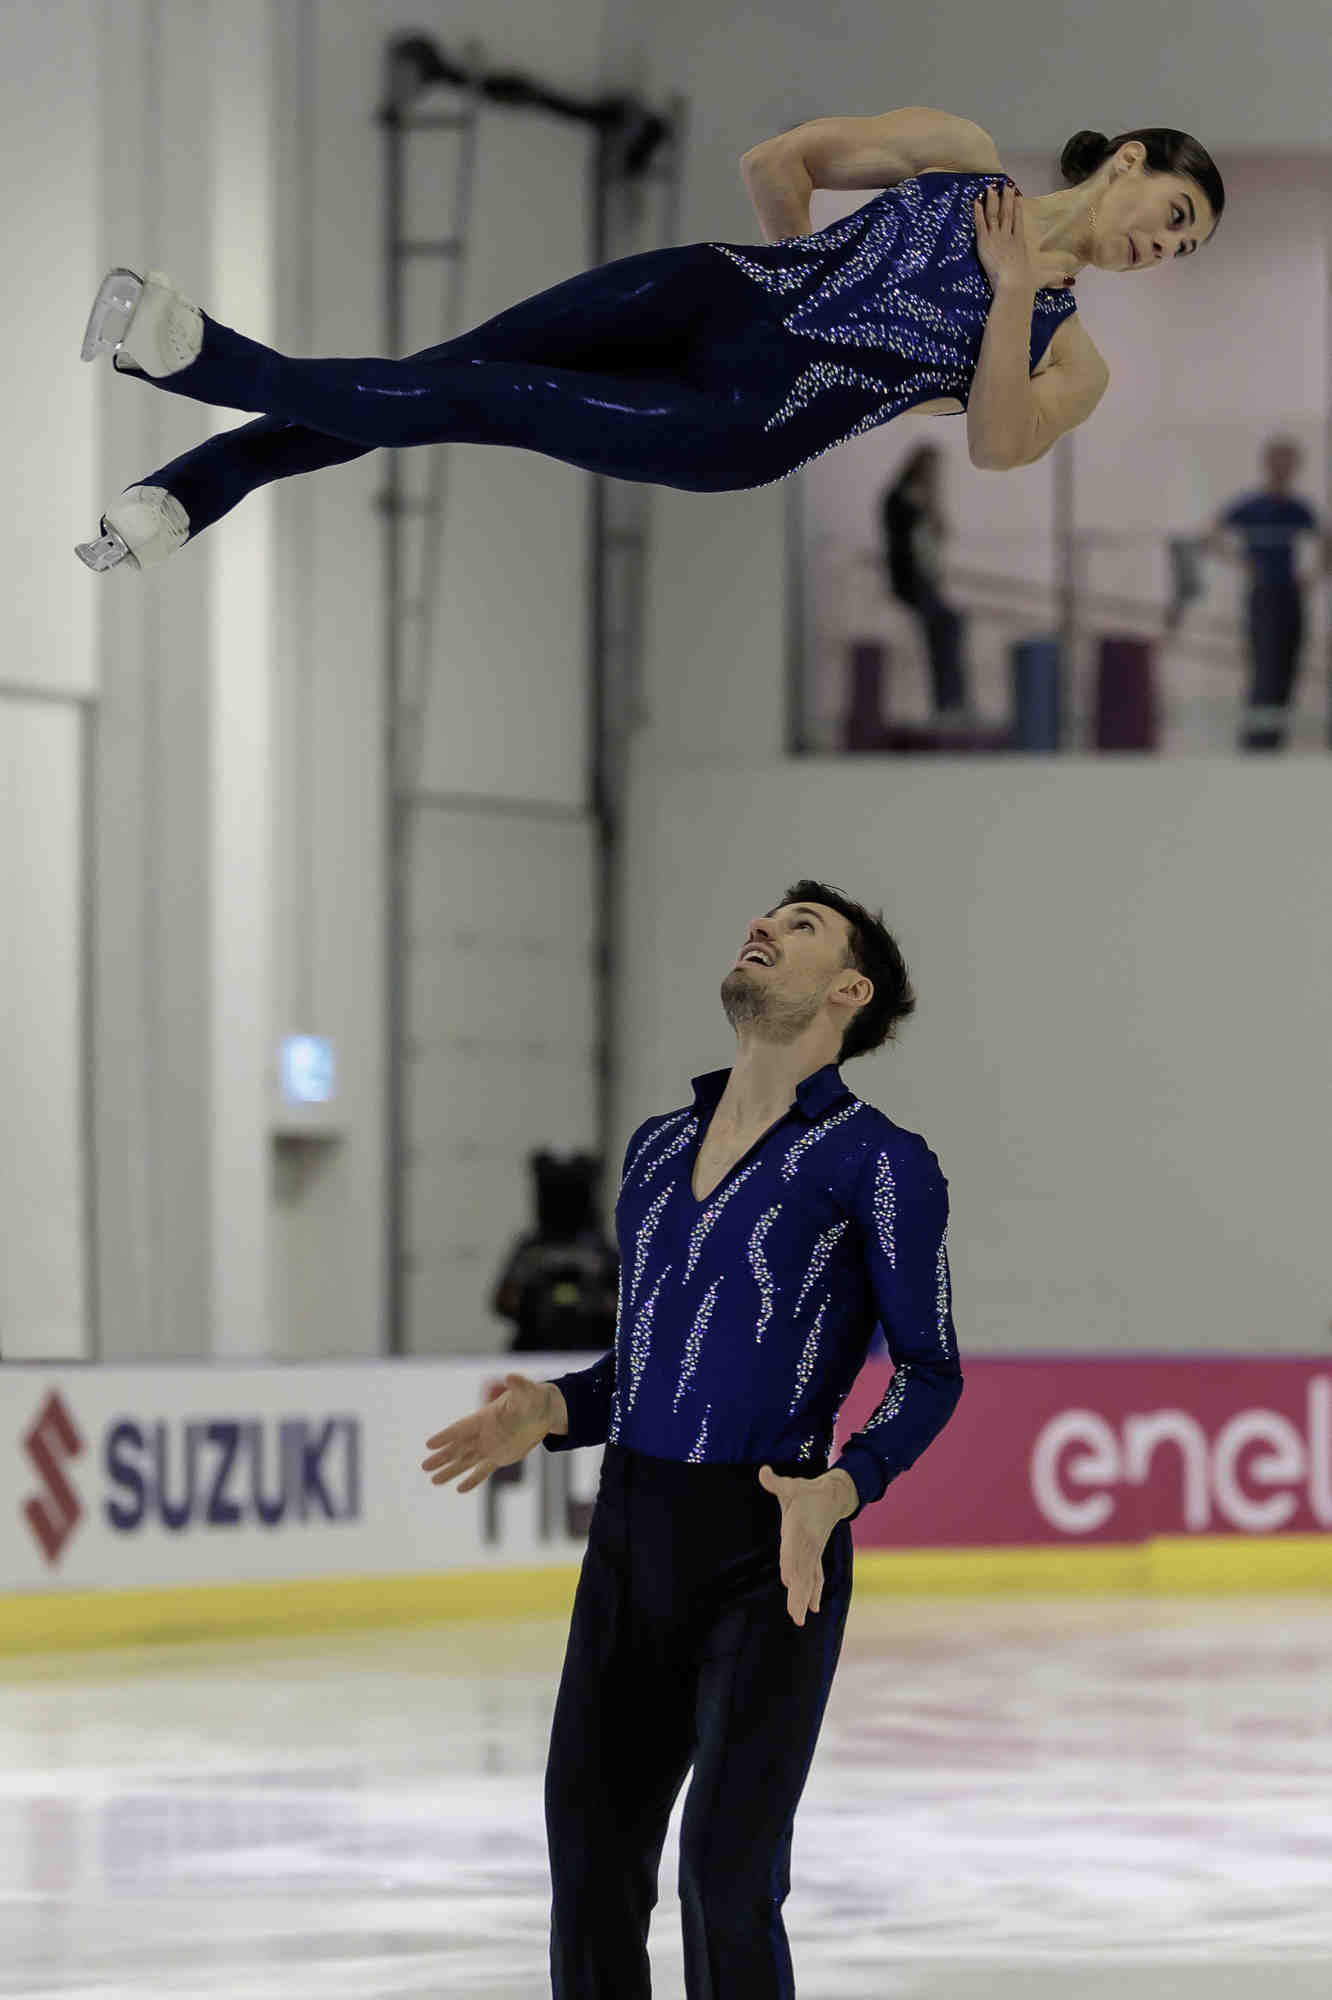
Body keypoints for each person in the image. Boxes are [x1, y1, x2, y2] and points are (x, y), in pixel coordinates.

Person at [422, 878, 962, 1998]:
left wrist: (846, 1484)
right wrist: (550, 1409)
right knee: (590, 1853)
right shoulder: (658, 1147)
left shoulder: (879, 1160)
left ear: (848, 992)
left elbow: (930, 1367)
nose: (763, 925)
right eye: (766, 915)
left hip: (769, 1546)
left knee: (726, 1873)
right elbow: (644, 1368)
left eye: (801, 926)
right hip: (632, 1531)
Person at [75, 114, 1222, 571]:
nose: (1162, 251)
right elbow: (778, 162)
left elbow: (995, 445)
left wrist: (1015, 290)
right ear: (1127, 160)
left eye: (1184, 254)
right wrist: (799, 274)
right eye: (1173, 217)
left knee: (475, 402)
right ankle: (184, 498)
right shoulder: (961, 153)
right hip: (711, 292)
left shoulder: (1073, 356)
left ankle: (195, 355)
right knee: (444, 379)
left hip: (742, 422)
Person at [1203, 438, 1329, 751]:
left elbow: (1325, 539)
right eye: (1279, 461)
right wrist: (1243, 563)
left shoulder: (1297, 507)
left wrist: (1313, 576)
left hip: (1289, 594)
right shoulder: (1252, 504)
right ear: (1268, 464)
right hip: (1264, 594)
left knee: (1287, 668)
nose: (1284, 468)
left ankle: (1275, 742)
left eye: (1290, 462)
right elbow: (1211, 534)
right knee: (1265, 668)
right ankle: (1256, 744)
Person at [492, 1149, 620, 1354]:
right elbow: (503, 1303)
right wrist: (533, 1296)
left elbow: (628, 1305)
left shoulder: (600, 1252)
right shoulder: (531, 1251)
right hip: (535, 1351)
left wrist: (595, 1298)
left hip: (592, 1352)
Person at [880, 441, 970, 716]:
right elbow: (904, 546)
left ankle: (953, 700)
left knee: (951, 624)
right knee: (943, 625)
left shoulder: (923, 504)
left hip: (925, 583)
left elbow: (932, 548)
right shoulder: (898, 500)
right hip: (909, 583)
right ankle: (947, 702)